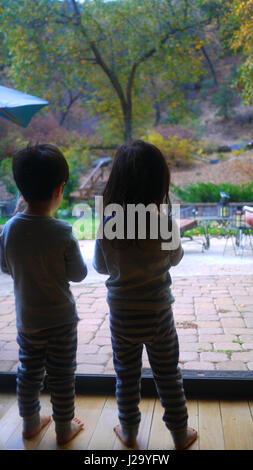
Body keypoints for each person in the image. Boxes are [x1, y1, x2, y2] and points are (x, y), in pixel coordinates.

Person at [93, 139, 197, 450]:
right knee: (168, 375)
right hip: (159, 315)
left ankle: (128, 433)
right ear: (159, 183)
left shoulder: (110, 224)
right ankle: (180, 434)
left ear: (118, 181)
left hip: (122, 316)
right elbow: (176, 258)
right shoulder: (164, 222)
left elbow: (100, 266)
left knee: (126, 376)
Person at [0, 144, 87, 445]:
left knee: (29, 373)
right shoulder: (62, 231)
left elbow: (5, 266)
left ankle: (30, 423)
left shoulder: (8, 229)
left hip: (28, 320)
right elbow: (79, 274)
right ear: (60, 188)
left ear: (20, 188)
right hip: (61, 321)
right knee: (63, 376)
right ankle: (64, 428)